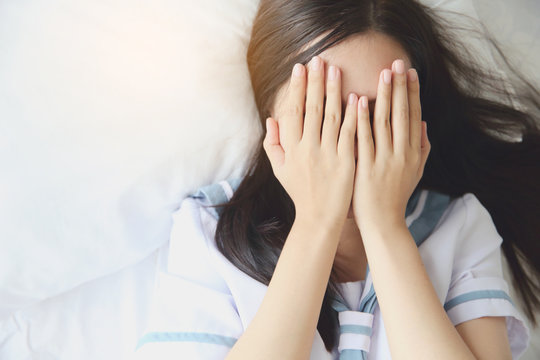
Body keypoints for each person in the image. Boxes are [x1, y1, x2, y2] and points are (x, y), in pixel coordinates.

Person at [133, 0, 540, 359]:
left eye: (381, 116)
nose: (351, 147)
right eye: (323, 114)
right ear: (270, 121)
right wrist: (315, 223)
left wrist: (385, 226)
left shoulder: (459, 227)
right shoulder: (208, 232)